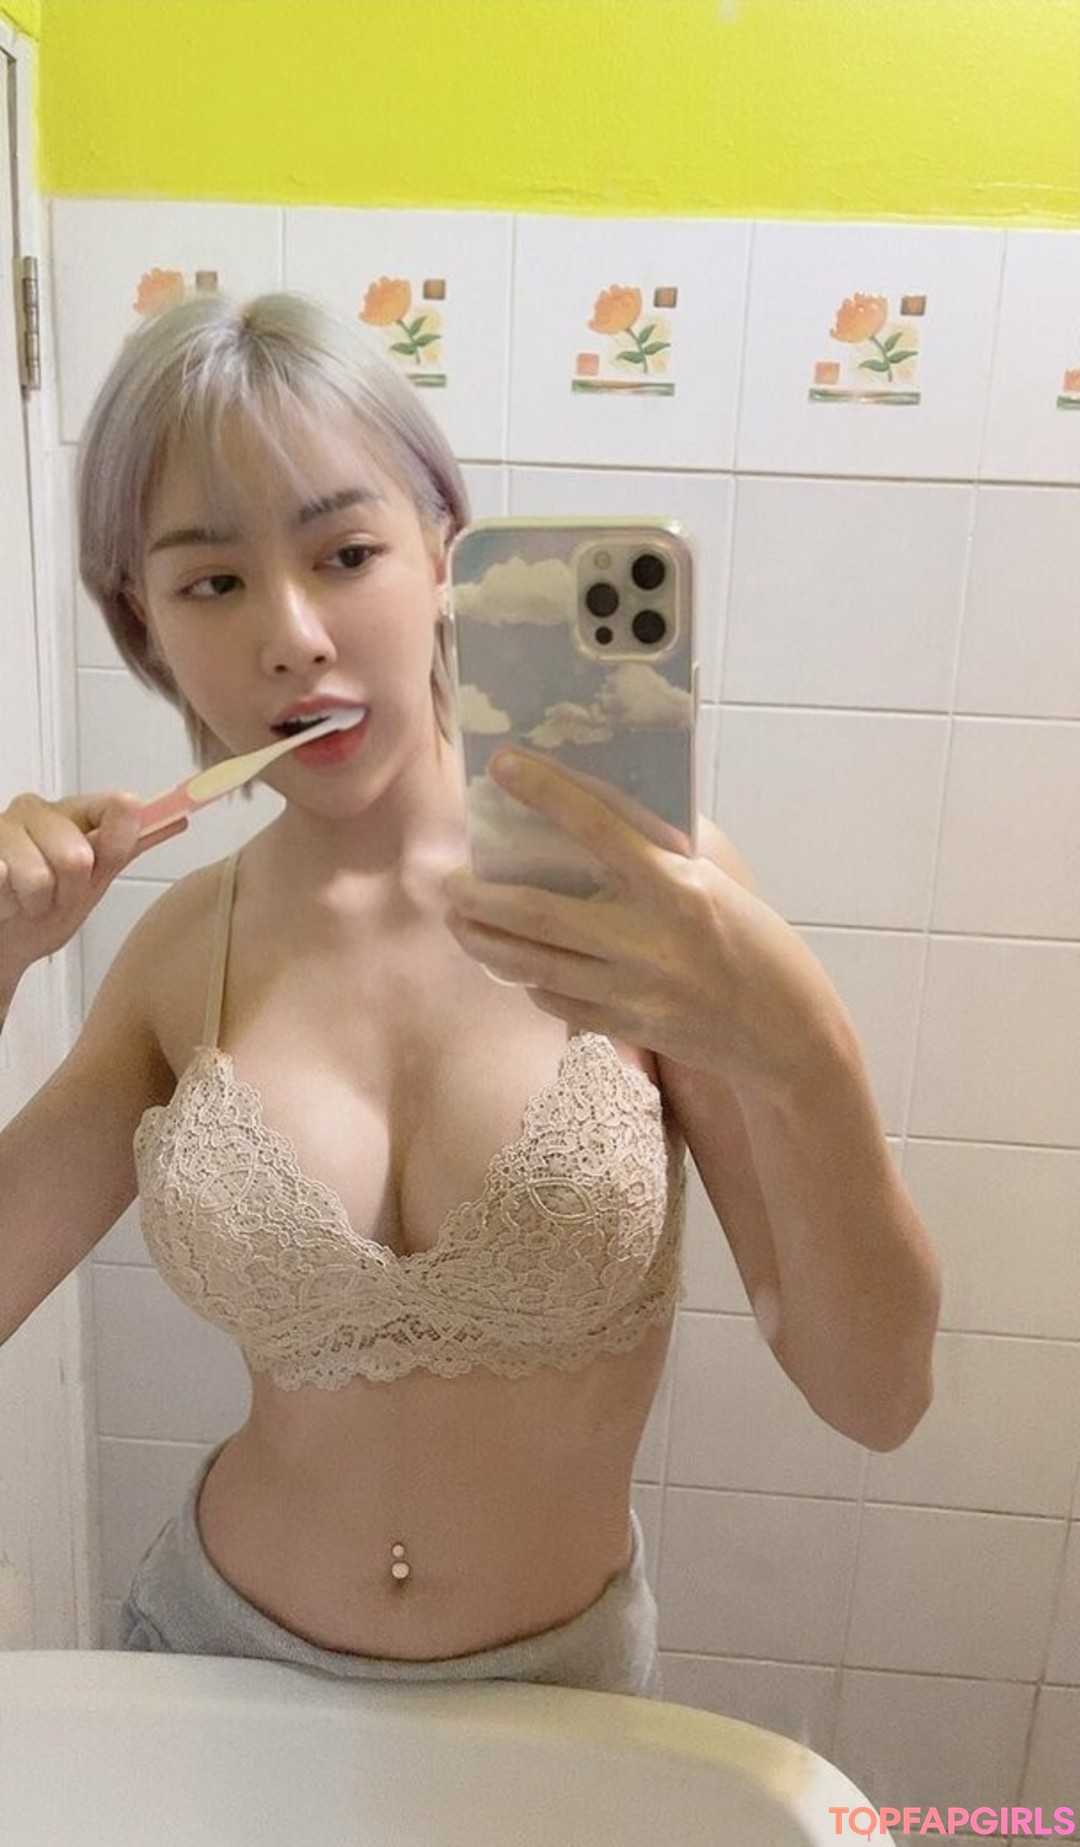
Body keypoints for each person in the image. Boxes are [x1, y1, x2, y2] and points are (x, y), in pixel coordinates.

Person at [0, 292, 940, 1696]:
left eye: (346, 553)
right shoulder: (179, 954)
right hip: (213, 1663)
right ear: (146, 620)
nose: (292, 635)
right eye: (212, 583)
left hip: (553, 1701)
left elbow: (877, 1397)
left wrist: (809, 1052)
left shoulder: (652, 905)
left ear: (446, 552)